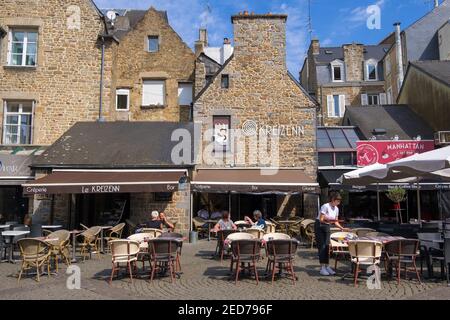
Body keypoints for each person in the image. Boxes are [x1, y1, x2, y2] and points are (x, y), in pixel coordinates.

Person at [315, 191, 347, 276]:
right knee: (322, 246)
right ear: (333, 199)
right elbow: (321, 219)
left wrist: (342, 228)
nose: (338, 203)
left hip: (327, 225)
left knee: (327, 246)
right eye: (337, 201)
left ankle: (327, 266)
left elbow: (336, 221)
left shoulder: (336, 208)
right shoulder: (325, 206)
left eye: (339, 202)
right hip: (320, 226)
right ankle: (322, 267)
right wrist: (328, 219)